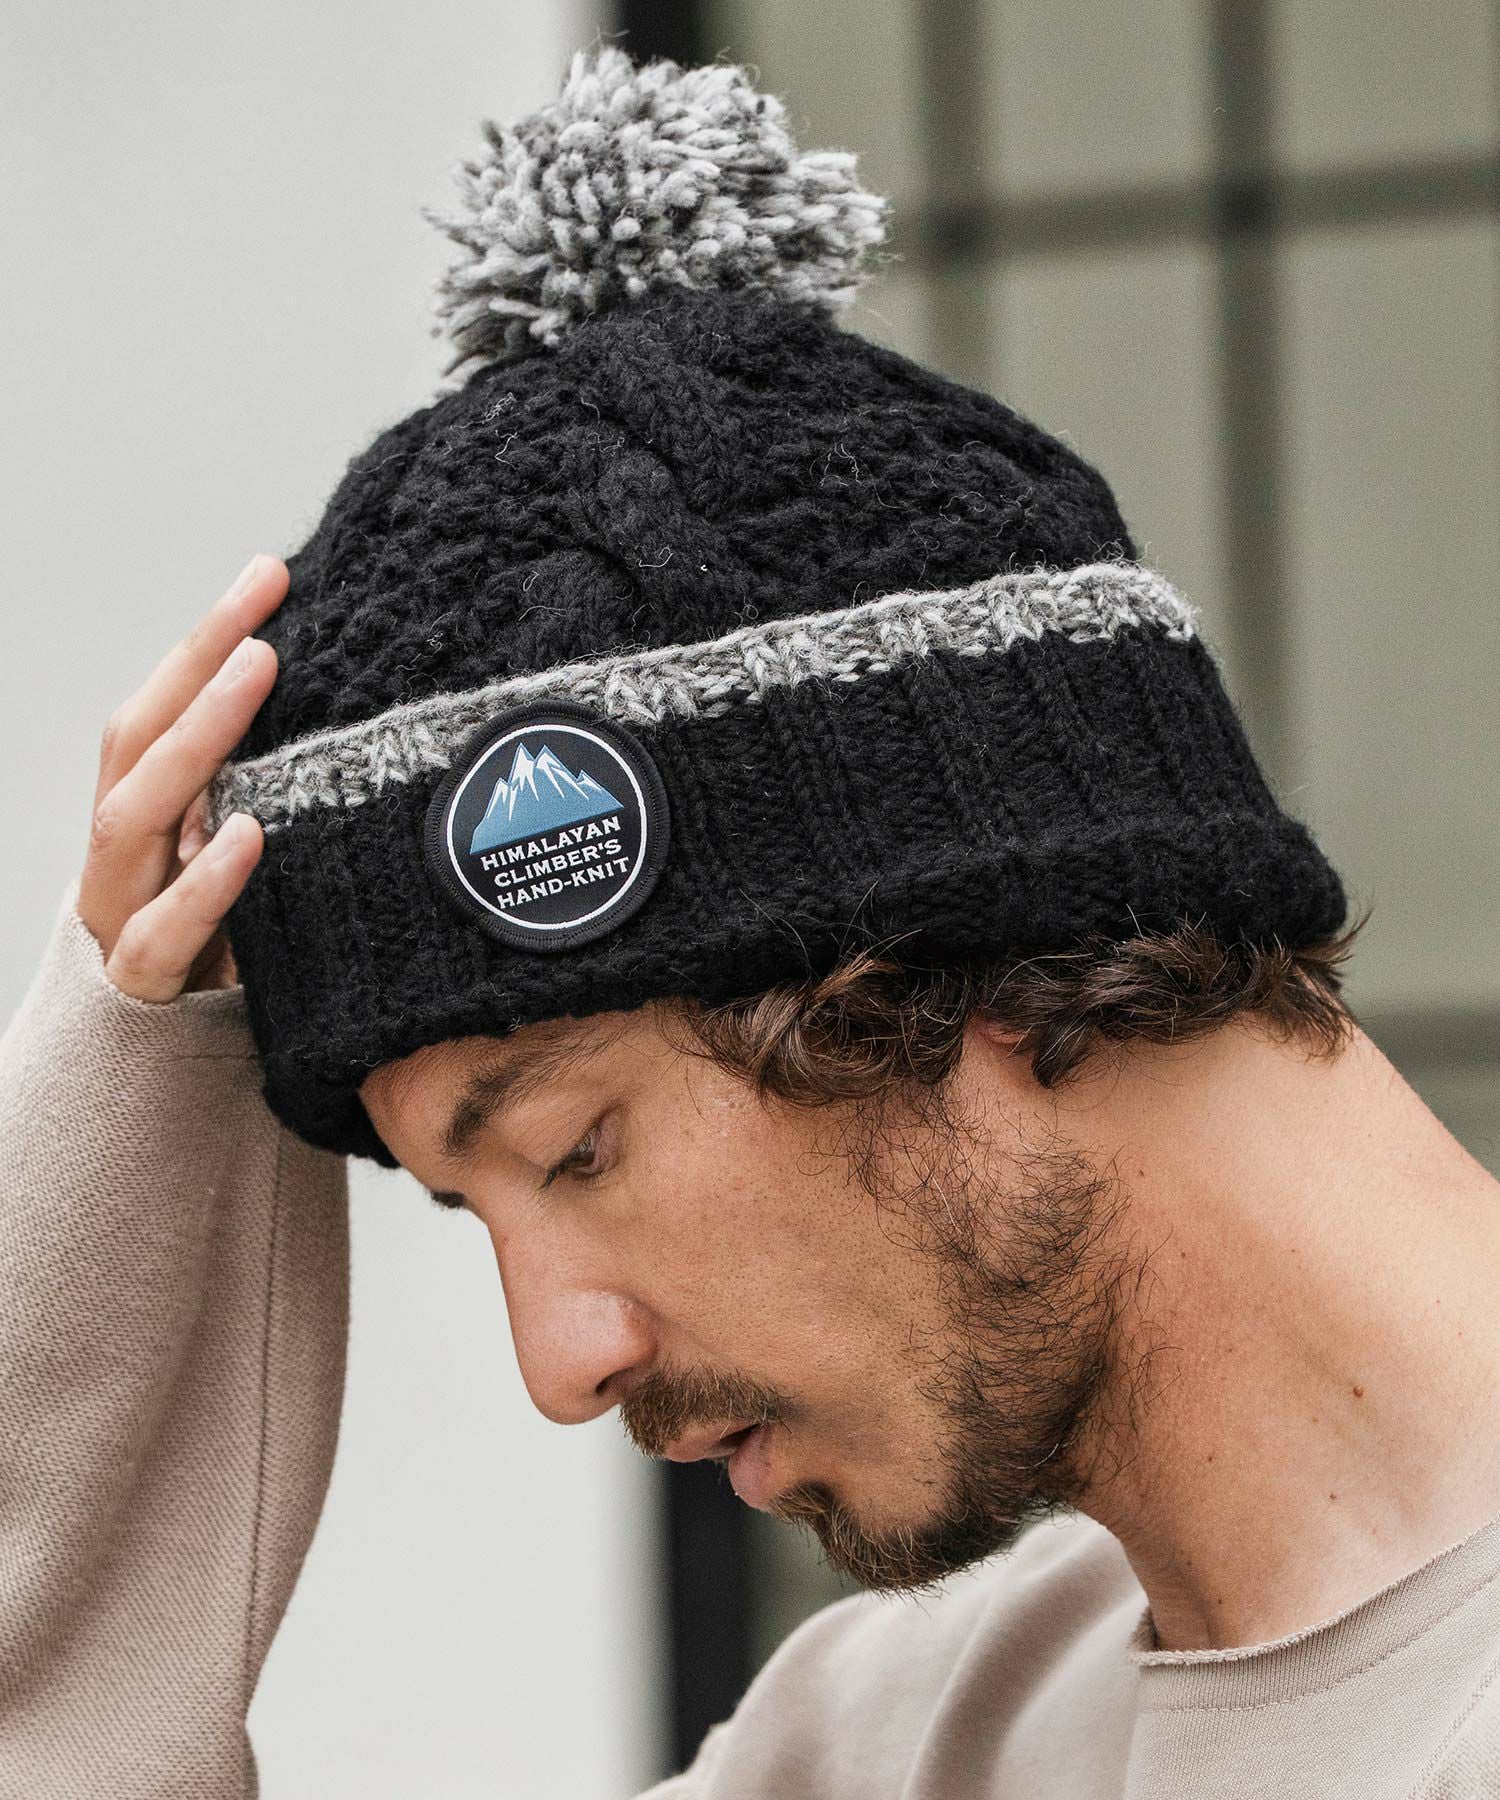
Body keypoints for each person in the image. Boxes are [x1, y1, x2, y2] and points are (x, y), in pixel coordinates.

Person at [3, 45, 1497, 1800]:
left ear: (968, 939)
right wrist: (120, 1127)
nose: (561, 1366)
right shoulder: (885, 1743)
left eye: (574, 1149)